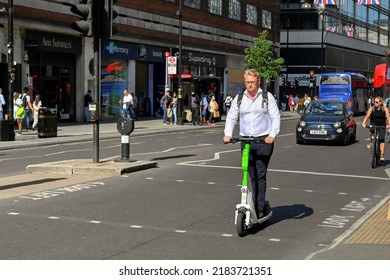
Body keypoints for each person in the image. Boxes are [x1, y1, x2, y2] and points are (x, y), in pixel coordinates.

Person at [223, 69, 281, 219]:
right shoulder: (239, 98)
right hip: (246, 140)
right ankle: (252, 204)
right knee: (249, 174)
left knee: (260, 175)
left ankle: (260, 207)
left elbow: (275, 118)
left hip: (263, 140)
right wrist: (228, 134)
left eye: (252, 82)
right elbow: (231, 117)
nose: (250, 85)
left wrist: (272, 135)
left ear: (258, 82)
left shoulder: (267, 97)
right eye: (247, 82)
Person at [362, 96, 390, 161]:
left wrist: (388, 125)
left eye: (377, 102)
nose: (375, 103)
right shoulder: (372, 108)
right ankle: (370, 141)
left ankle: (382, 154)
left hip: (382, 125)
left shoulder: (385, 109)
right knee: (371, 131)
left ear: (380, 103)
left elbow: (388, 118)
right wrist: (364, 123)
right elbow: (367, 116)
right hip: (374, 123)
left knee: (381, 139)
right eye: (374, 102)